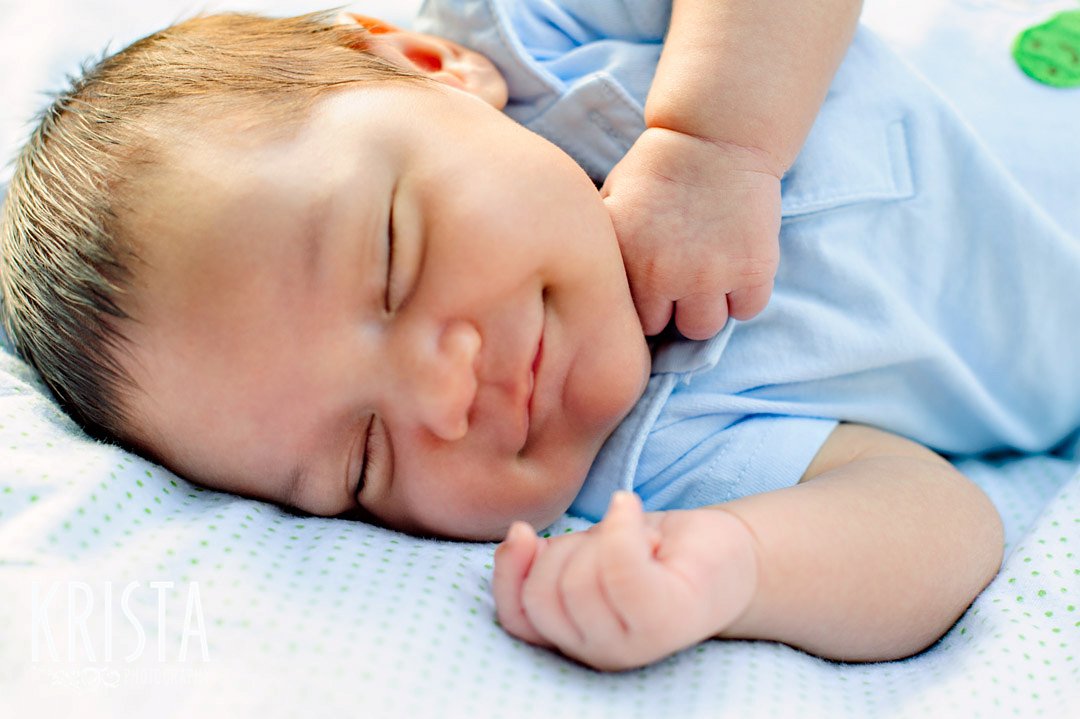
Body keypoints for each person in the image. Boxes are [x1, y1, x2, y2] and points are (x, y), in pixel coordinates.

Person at [2, 4, 1079, 672]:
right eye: (363, 458)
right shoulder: (648, 461)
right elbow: (942, 527)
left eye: (390, 257)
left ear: (429, 64)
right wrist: (735, 568)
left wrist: (714, 141)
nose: (442, 392)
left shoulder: (552, 43)